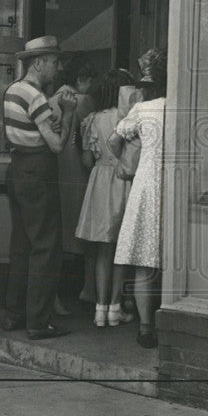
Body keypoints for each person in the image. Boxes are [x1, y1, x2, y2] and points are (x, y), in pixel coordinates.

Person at [2, 36, 77, 340]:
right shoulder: (36, 98)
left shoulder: (12, 91)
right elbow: (57, 145)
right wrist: (69, 113)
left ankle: (13, 313)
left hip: (18, 169)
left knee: (22, 244)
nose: (58, 68)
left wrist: (51, 112)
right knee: (45, 246)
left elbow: (33, 128)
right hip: (38, 172)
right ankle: (39, 322)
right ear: (38, 63)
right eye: (54, 61)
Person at [110, 48, 167, 349]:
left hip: (146, 184)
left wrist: (125, 161)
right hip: (173, 186)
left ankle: (146, 327)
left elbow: (114, 138)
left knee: (144, 258)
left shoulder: (143, 110)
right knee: (171, 257)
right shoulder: (183, 105)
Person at [76, 69, 135, 328]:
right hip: (123, 180)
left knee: (102, 248)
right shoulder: (128, 119)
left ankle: (99, 309)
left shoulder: (91, 119)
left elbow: (87, 160)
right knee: (121, 248)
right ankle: (115, 307)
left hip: (99, 181)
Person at [50, 54, 97, 312]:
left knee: (56, 237)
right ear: (81, 79)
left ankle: (53, 294)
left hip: (57, 173)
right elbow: (90, 139)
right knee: (88, 235)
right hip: (79, 173)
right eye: (90, 80)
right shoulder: (84, 101)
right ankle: (89, 288)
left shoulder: (49, 100)